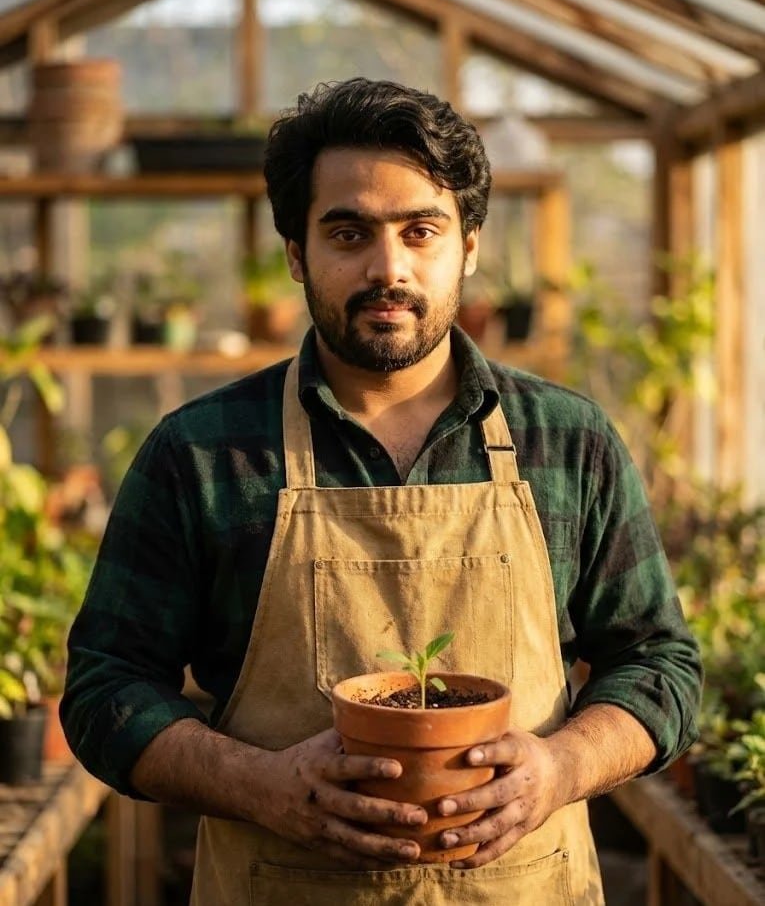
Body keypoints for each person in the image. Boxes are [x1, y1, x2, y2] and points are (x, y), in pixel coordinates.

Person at [62, 77, 702, 905]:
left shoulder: (567, 441)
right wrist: (257, 784)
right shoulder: (203, 453)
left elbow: (657, 661)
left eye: (420, 231)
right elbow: (106, 686)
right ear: (296, 254)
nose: (388, 268)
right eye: (348, 233)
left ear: (468, 247)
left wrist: (559, 768)